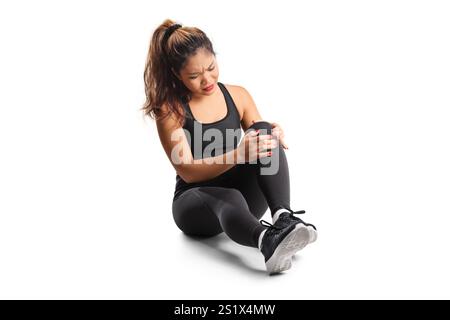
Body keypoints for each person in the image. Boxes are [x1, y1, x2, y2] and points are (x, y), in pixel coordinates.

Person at [142, 19, 317, 275]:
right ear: (176, 75)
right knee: (230, 196)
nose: (207, 79)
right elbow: (187, 170)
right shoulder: (171, 109)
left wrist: (273, 133)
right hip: (194, 204)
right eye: (194, 76)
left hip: (244, 202)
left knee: (264, 131)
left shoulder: (238, 95)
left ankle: (283, 218)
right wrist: (238, 154)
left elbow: (260, 142)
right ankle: (267, 241)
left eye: (211, 67)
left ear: (215, 57)